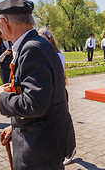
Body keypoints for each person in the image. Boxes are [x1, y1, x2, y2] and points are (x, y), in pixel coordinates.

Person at [0, 0, 75, 169]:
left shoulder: (32, 49)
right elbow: (44, 99)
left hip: (39, 151)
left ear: (5, 23)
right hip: (45, 144)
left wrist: (3, 97)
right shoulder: (37, 44)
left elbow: (34, 104)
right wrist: (14, 127)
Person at [38, 27, 76, 165]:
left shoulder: (58, 56)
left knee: (64, 121)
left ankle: (70, 149)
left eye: (44, 39)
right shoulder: (38, 55)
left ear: (50, 40)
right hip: (47, 95)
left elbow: (58, 78)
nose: (40, 42)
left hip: (58, 93)